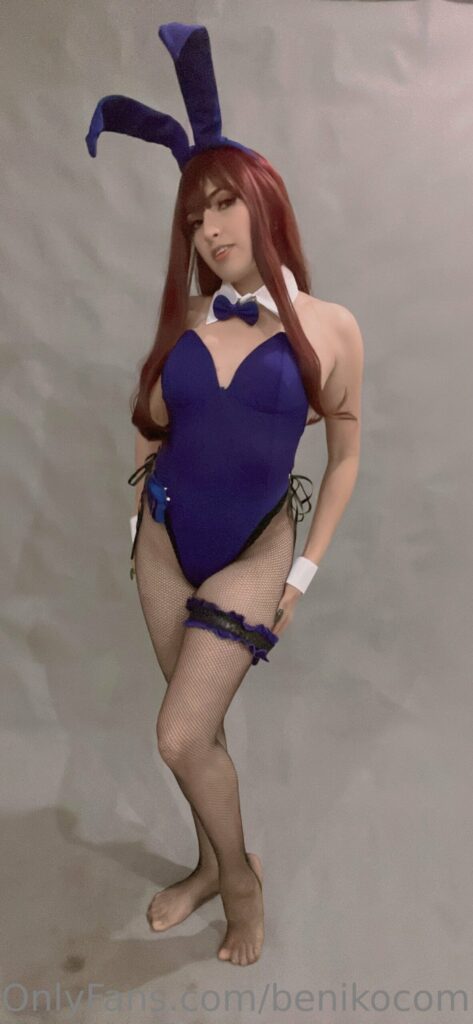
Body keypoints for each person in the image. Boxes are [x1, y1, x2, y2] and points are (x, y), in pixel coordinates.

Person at [86, 22, 364, 967]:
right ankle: (208, 864)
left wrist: (302, 576)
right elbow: (148, 420)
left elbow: (347, 455)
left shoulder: (329, 327)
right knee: (198, 732)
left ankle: (239, 882)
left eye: (221, 204)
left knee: (177, 735)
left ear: (261, 199)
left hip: (254, 551)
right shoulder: (187, 320)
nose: (207, 229)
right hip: (165, 543)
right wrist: (135, 519)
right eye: (192, 217)